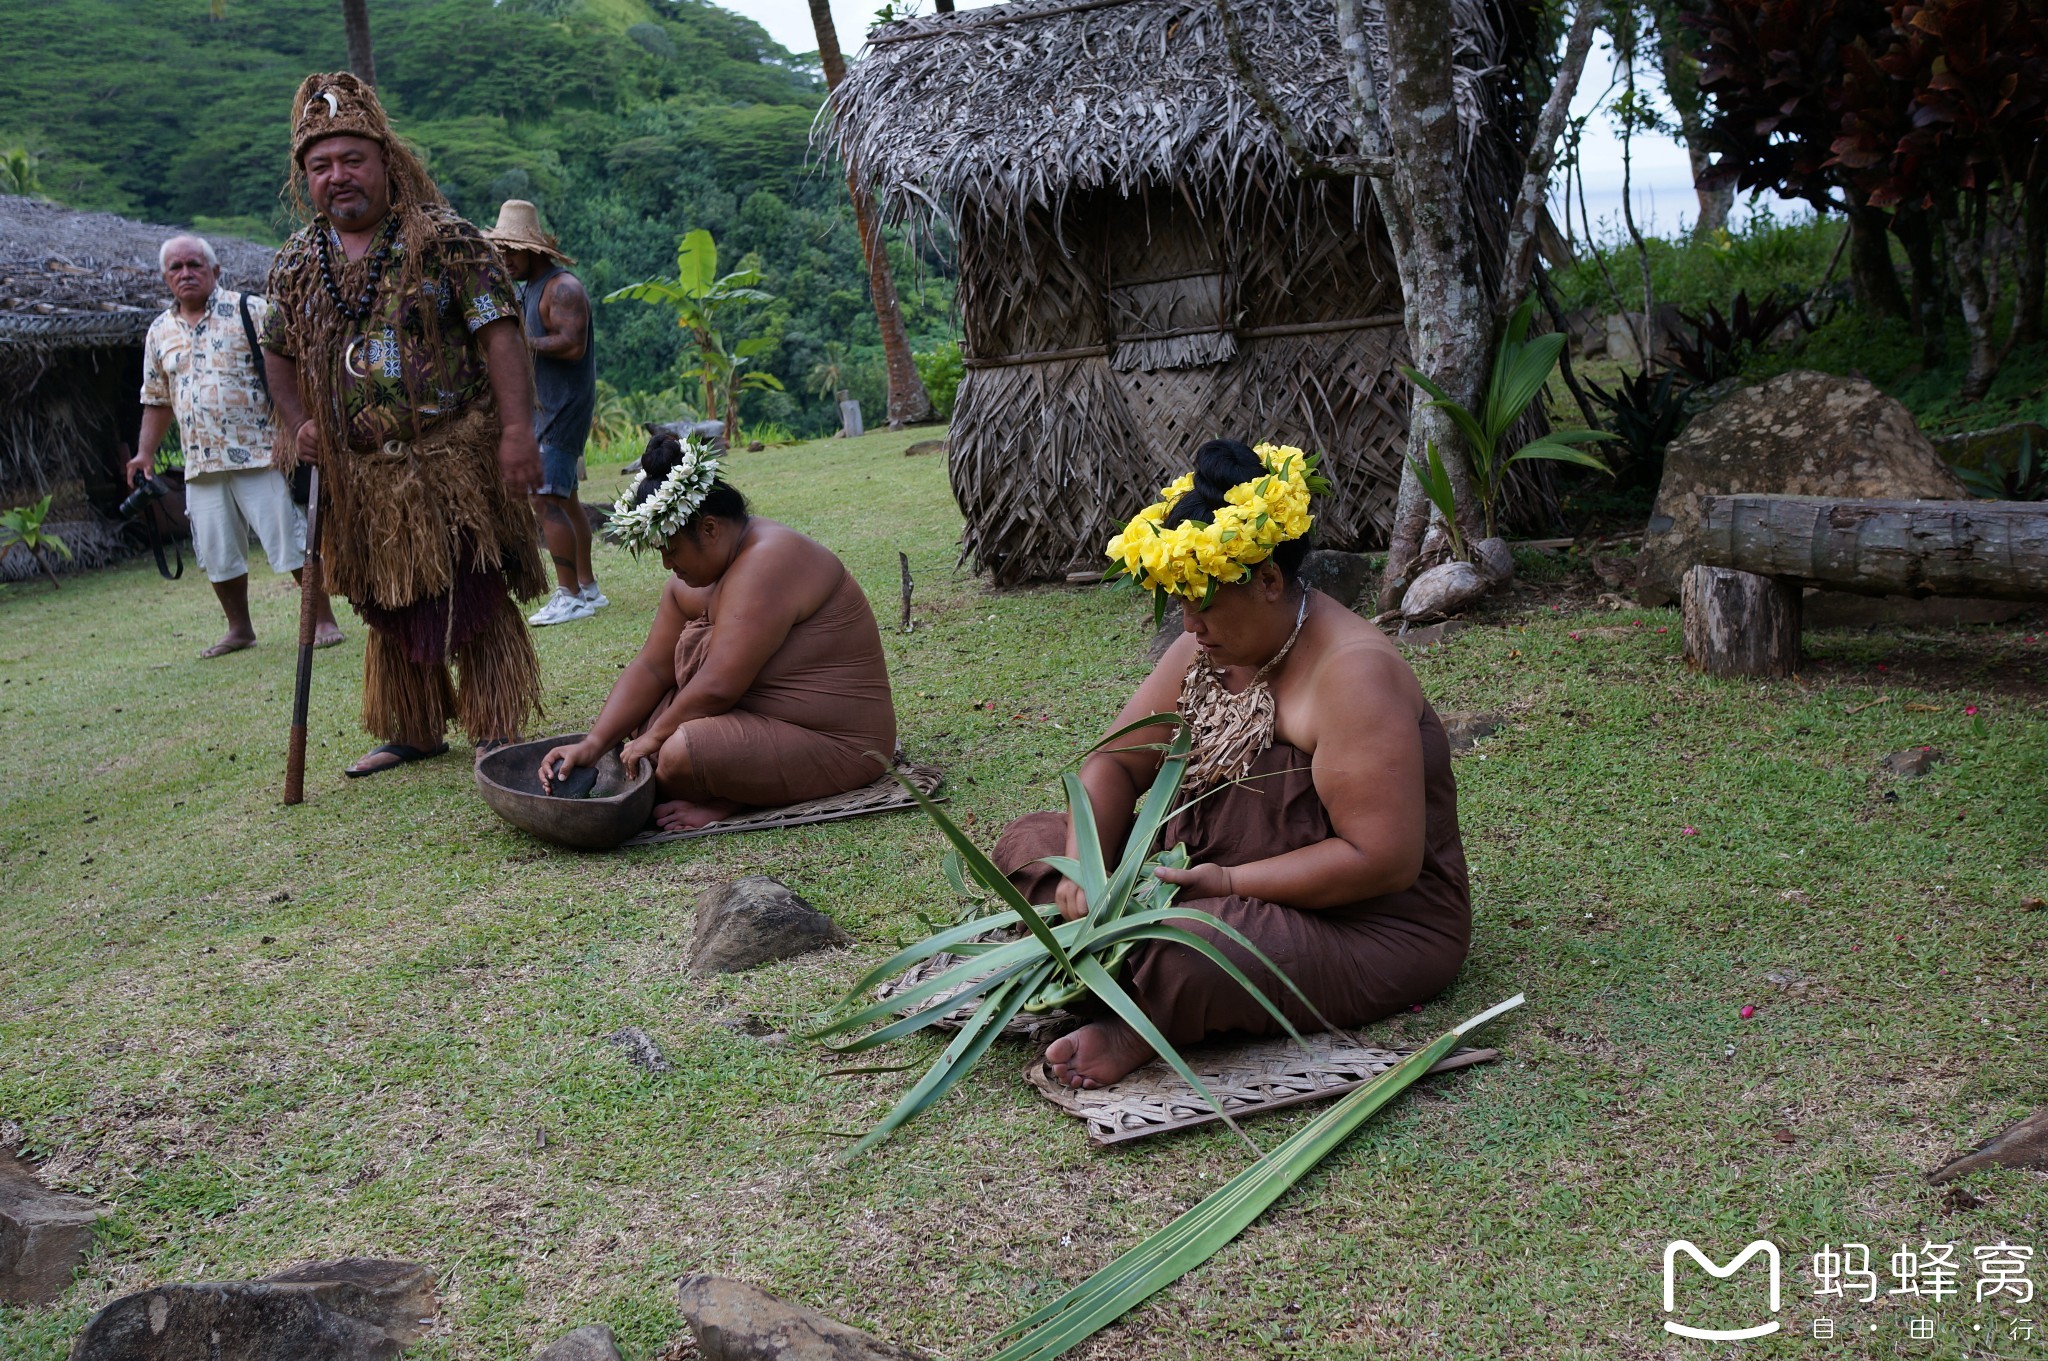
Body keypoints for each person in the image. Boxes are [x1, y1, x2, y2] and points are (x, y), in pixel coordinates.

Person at [994, 439, 1472, 1090]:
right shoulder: (1208, 648)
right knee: (1029, 847)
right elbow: (1111, 763)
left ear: (1270, 581)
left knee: (1200, 946)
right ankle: (1128, 957)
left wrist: (1226, 882)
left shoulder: (1353, 675)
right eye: (1183, 603)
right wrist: (1086, 868)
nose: (1190, 625)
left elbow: (1381, 860)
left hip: (1362, 926)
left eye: (1205, 603)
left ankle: (1142, 1017)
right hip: (1194, 880)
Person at [258, 73, 548, 778]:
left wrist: (516, 433)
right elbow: (277, 349)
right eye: (321, 166)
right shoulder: (297, 263)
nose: (338, 177)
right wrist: (297, 422)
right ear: (306, 179)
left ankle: (494, 720)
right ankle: (414, 727)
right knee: (384, 600)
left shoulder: (445, 240)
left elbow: (501, 334)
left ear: (386, 159)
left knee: (472, 589)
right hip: (356, 475)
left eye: (352, 159)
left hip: (449, 455)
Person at [536, 431, 897, 832]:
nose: (667, 566)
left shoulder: (769, 561)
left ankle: (731, 800)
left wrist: (653, 739)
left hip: (839, 745)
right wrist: (594, 744)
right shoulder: (697, 579)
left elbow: (718, 687)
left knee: (677, 752)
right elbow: (652, 669)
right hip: (759, 722)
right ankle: (703, 776)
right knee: (642, 725)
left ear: (709, 529)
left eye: (672, 551)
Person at [132, 234, 343, 658]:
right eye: (176, 268)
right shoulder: (159, 331)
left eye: (194, 265)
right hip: (201, 462)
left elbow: (292, 369)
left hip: (261, 451)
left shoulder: (250, 310)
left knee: (290, 539)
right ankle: (239, 629)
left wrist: (299, 426)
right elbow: (156, 399)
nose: (186, 273)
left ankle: (322, 619)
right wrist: (145, 454)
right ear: (165, 278)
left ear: (215, 271)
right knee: (217, 550)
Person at [482, 199, 605, 627]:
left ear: (532, 250)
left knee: (545, 499)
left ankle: (568, 594)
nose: (505, 260)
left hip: (562, 408)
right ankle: (587, 588)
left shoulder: (562, 288)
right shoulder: (526, 289)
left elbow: (572, 344)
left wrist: (522, 345)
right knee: (566, 499)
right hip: (546, 408)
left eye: (510, 252)